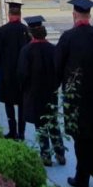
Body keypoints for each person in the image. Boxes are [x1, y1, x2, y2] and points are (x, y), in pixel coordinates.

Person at [58, 0, 93, 187]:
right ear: (90, 15)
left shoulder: (68, 37)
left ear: (74, 15)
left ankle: (82, 178)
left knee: (81, 138)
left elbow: (59, 65)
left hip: (76, 97)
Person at [18, 16, 64, 165]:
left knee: (40, 124)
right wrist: (55, 86)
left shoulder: (26, 50)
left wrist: (25, 90)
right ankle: (60, 153)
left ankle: (45, 155)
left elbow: (23, 74)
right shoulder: (53, 49)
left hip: (35, 92)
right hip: (51, 92)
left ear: (31, 33)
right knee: (53, 122)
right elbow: (59, 71)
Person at [0, 1, 30, 139]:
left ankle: (12, 131)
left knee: (9, 104)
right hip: (22, 74)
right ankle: (21, 132)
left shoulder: (2, 30)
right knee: (22, 104)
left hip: (7, 73)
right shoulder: (26, 30)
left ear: (9, 14)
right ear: (20, 14)